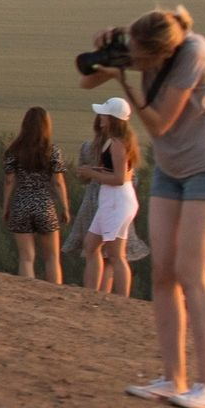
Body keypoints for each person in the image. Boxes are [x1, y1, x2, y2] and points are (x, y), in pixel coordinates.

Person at [80, 7, 205, 408]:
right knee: (164, 273)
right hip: (171, 170)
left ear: (162, 54)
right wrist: (107, 55)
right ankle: (173, 378)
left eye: (142, 57)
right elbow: (85, 81)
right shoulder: (143, 47)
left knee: (191, 270)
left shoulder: (194, 55)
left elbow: (160, 124)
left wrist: (122, 79)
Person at [71, 97, 143, 296]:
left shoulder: (117, 144)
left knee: (115, 254)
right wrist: (95, 170)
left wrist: (91, 174)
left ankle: (122, 298)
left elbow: (119, 178)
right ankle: (92, 292)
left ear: (112, 118)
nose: (100, 117)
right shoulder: (115, 141)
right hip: (112, 201)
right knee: (91, 245)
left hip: (116, 201)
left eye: (104, 114)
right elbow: (120, 173)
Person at [0, 107, 70, 283]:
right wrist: (65, 207)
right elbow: (58, 182)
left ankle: (27, 293)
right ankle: (56, 296)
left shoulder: (13, 151)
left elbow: (9, 182)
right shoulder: (52, 151)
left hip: (21, 204)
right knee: (52, 258)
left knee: (26, 257)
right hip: (45, 205)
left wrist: (6, 207)